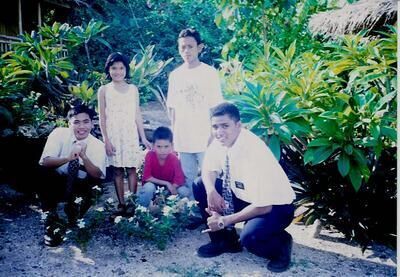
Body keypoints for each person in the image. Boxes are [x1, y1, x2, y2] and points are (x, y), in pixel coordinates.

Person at [193, 102, 296, 273]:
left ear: (238, 125)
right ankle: (224, 241)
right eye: (215, 126)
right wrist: (211, 191)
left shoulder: (253, 152)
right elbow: (208, 169)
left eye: (225, 126)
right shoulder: (220, 141)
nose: (219, 132)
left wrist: (224, 220)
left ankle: (282, 245)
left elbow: (264, 206)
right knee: (200, 184)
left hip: (276, 208)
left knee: (251, 239)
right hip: (244, 196)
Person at [166, 28, 223, 199]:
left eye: (190, 46)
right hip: (184, 137)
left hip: (205, 136)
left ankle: (215, 213)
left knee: (210, 175)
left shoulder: (209, 73)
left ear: (200, 47)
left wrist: (214, 134)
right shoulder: (175, 75)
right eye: (182, 47)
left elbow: (217, 107)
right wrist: (175, 136)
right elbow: (173, 109)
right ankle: (194, 212)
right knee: (188, 177)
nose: (186, 51)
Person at [38, 104, 106, 246]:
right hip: (58, 180)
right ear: (69, 124)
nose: (81, 127)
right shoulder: (58, 134)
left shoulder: (98, 145)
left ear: (92, 124)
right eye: (76, 122)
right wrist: (68, 158)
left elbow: (98, 175)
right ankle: (51, 223)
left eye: (86, 122)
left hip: (81, 184)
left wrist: (84, 157)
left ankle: (73, 213)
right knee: (44, 174)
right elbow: (45, 162)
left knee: (94, 186)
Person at [98, 52, 151, 214]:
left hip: (129, 134)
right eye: (114, 68)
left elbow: (137, 114)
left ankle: (132, 202)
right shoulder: (104, 90)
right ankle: (121, 204)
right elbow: (102, 117)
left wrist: (143, 137)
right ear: (109, 69)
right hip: (114, 135)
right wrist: (106, 139)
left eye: (121, 68)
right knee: (117, 170)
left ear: (126, 70)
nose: (118, 71)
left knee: (132, 168)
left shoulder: (132, 89)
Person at [137, 126, 190, 207]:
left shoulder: (174, 159)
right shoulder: (150, 155)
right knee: (148, 188)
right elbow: (147, 177)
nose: (162, 150)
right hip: (154, 186)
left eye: (166, 146)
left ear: (172, 146)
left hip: (170, 188)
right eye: (159, 146)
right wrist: (166, 183)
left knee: (184, 191)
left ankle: (178, 212)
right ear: (153, 146)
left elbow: (179, 180)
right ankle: (141, 211)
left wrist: (167, 190)